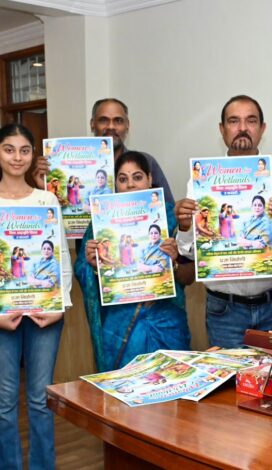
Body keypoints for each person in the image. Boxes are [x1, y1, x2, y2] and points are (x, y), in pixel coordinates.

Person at [175, 95, 272, 348]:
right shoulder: (202, 180)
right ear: (222, 129)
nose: (242, 128)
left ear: (262, 129)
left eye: (251, 121)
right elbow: (187, 251)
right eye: (234, 121)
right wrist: (185, 226)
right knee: (228, 373)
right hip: (224, 310)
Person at [75, 151, 192, 372]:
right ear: (115, 184)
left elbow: (190, 274)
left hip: (166, 320)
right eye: (123, 179)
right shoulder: (100, 223)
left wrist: (174, 260)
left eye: (137, 177)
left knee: (172, 384)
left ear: (149, 179)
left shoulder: (170, 217)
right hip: (119, 324)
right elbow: (81, 268)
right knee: (125, 387)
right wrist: (93, 266)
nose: (130, 184)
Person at [0, 123, 73, 470]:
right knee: (4, 403)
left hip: (46, 314)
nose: (17, 157)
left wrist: (61, 307)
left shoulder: (46, 200)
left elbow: (62, 257)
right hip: (2, 316)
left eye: (24, 150)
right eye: (9, 149)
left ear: (33, 156)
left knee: (41, 399)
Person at [34, 98, 174, 204]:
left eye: (118, 121)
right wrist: (45, 188)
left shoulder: (146, 162)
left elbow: (168, 209)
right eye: (103, 120)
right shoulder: (67, 165)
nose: (111, 126)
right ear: (92, 125)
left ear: (127, 125)